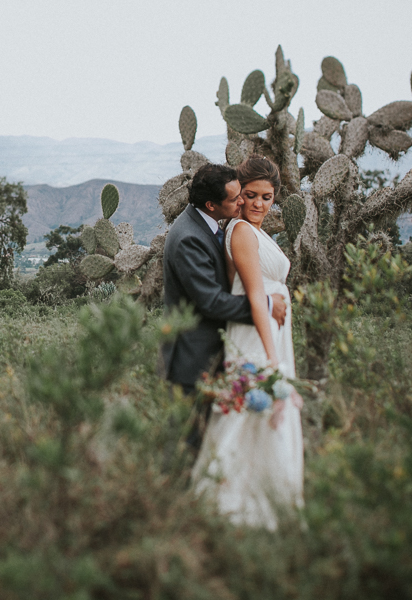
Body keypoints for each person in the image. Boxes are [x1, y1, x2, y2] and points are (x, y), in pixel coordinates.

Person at [191, 155, 304, 530]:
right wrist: (273, 358)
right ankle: (226, 507)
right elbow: (256, 296)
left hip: (269, 331)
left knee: (263, 417)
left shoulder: (255, 231)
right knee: (246, 413)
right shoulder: (240, 232)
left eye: (267, 197)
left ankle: (264, 504)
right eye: (250, 195)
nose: (258, 204)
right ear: (238, 196)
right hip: (256, 334)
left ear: (276, 198)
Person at [161, 163, 287, 449]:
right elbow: (211, 302)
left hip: (213, 352)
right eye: (235, 198)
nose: (242, 201)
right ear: (211, 204)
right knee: (188, 443)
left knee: (212, 438)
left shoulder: (207, 226)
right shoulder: (189, 238)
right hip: (193, 360)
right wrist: (266, 306)